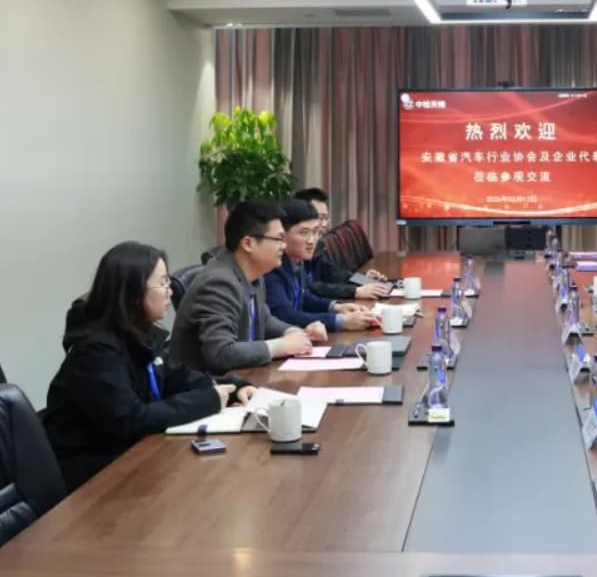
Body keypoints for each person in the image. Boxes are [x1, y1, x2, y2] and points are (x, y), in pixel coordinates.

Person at [43, 242, 256, 491]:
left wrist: (233, 386)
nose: (170, 292)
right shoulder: (95, 352)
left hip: (136, 459)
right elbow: (130, 419)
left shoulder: (140, 335)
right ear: (133, 292)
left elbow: (179, 377)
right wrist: (210, 400)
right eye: (162, 283)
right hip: (94, 479)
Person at [171, 202, 315, 373]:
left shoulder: (254, 274)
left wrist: (293, 332)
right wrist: (281, 346)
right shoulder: (218, 283)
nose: (284, 246)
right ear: (248, 243)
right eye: (278, 239)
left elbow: (264, 320)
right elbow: (221, 353)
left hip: (245, 376)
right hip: (210, 384)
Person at [266, 198, 378, 331]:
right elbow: (286, 316)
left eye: (315, 232)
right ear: (282, 235)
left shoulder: (297, 260)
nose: (312, 240)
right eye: (304, 233)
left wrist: (336, 307)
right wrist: (341, 321)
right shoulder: (273, 267)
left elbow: (303, 297)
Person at [293, 187, 391, 300]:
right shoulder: (292, 253)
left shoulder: (318, 245)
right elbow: (310, 287)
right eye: (319, 218)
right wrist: (355, 291)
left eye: (325, 218)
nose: (323, 225)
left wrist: (364, 280)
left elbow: (332, 273)